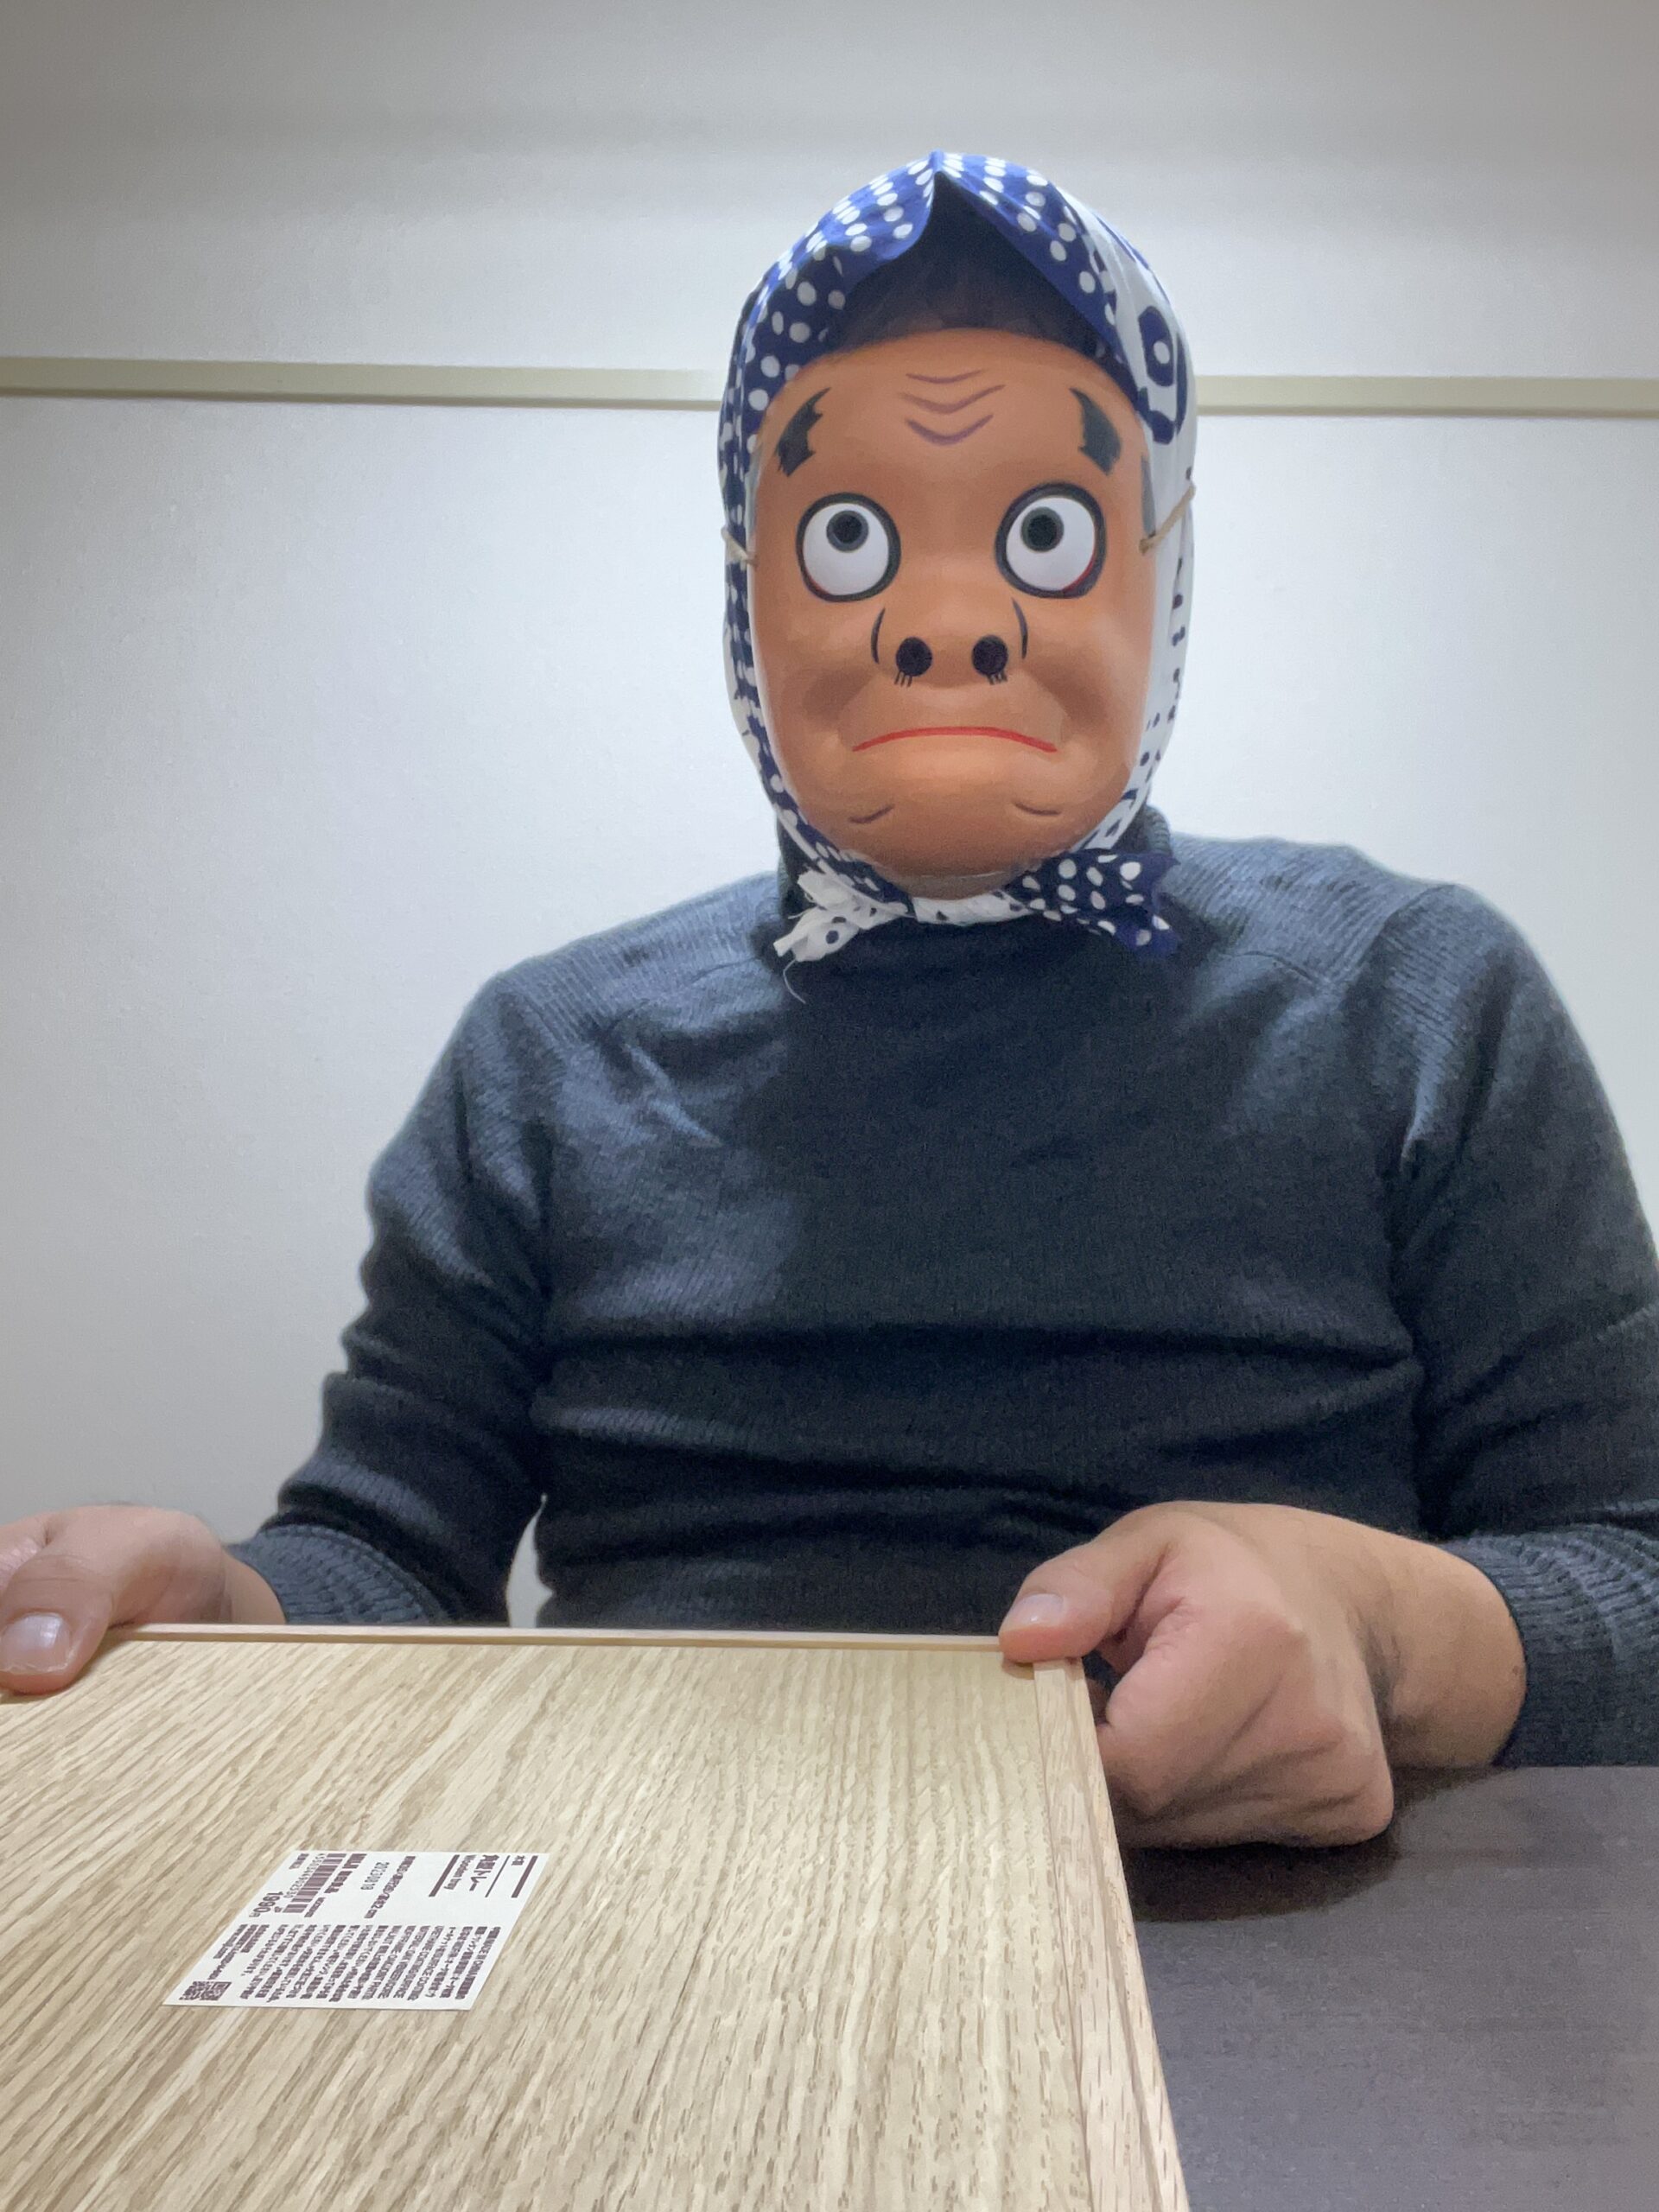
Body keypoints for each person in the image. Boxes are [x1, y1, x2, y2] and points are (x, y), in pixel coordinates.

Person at [4, 153, 1657, 1850]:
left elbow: (1636, 1579)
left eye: (1043, 531)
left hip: (1260, 1926)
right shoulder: (547, 1059)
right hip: (660, 1901)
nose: (949, 627)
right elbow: (392, 1555)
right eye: (851, 537)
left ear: (1161, 562)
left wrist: (1380, 1628)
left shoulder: (1417, 1004)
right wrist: (219, 1616)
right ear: (750, 583)